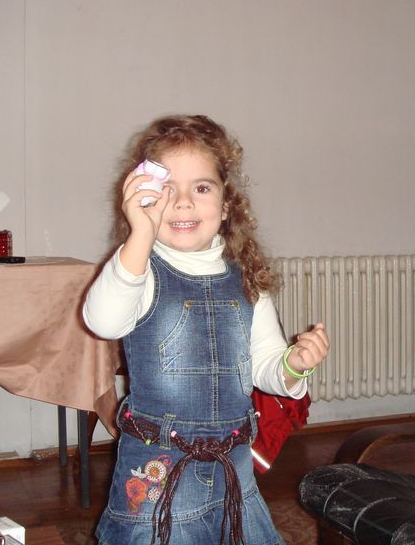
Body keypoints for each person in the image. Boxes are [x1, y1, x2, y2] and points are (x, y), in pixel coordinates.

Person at [83, 114, 330, 545]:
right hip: (157, 473)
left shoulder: (247, 279)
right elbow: (102, 320)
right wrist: (139, 235)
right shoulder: (139, 270)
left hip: (234, 473)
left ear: (227, 204)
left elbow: (266, 368)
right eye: (166, 190)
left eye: (201, 188)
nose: (183, 203)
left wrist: (294, 365)